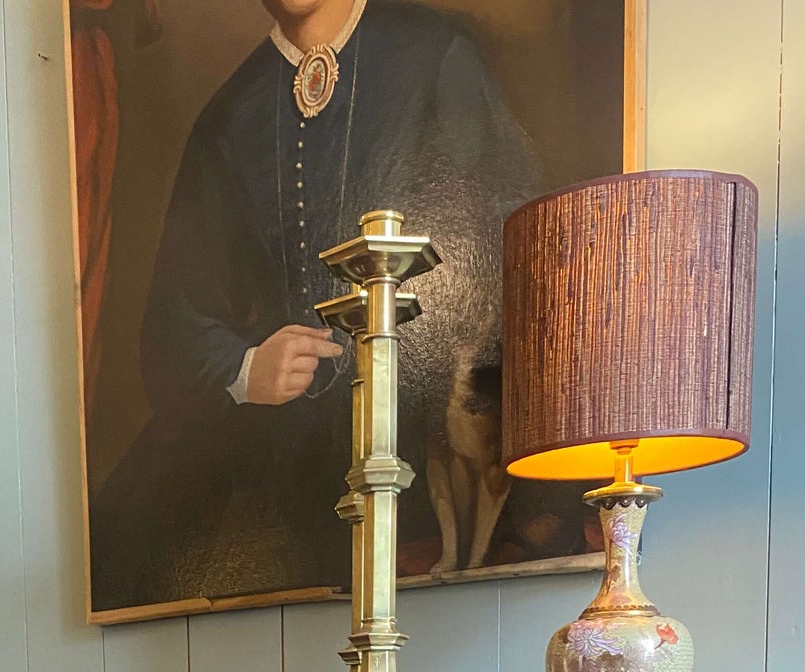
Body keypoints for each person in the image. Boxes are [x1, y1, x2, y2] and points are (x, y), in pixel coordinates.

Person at [88, 0, 547, 614]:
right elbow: (173, 323)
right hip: (280, 435)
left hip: (422, 413)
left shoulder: (434, 53)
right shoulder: (231, 114)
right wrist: (247, 367)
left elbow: (510, 238)